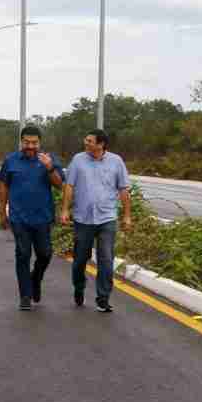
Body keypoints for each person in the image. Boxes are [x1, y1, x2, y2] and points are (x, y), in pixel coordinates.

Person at [59, 129, 132, 313]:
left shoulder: (116, 161)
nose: (86, 143)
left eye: (90, 141)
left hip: (107, 217)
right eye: (86, 139)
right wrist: (65, 209)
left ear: (101, 144)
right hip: (83, 218)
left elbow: (123, 189)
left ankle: (103, 298)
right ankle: (79, 288)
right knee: (80, 259)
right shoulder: (78, 160)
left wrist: (127, 215)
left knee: (106, 259)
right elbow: (69, 185)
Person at [0, 126, 64, 311]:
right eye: (27, 142)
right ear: (21, 142)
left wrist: (50, 168)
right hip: (19, 218)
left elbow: (60, 185)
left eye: (34, 143)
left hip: (43, 217)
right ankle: (25, 296)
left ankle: (36, 278)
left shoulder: (49, 159)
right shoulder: (11, 160)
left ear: (39, 143)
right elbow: (3, 185)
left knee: (45, 253)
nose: (30, 146)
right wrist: (3, 211)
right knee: (23, 253)